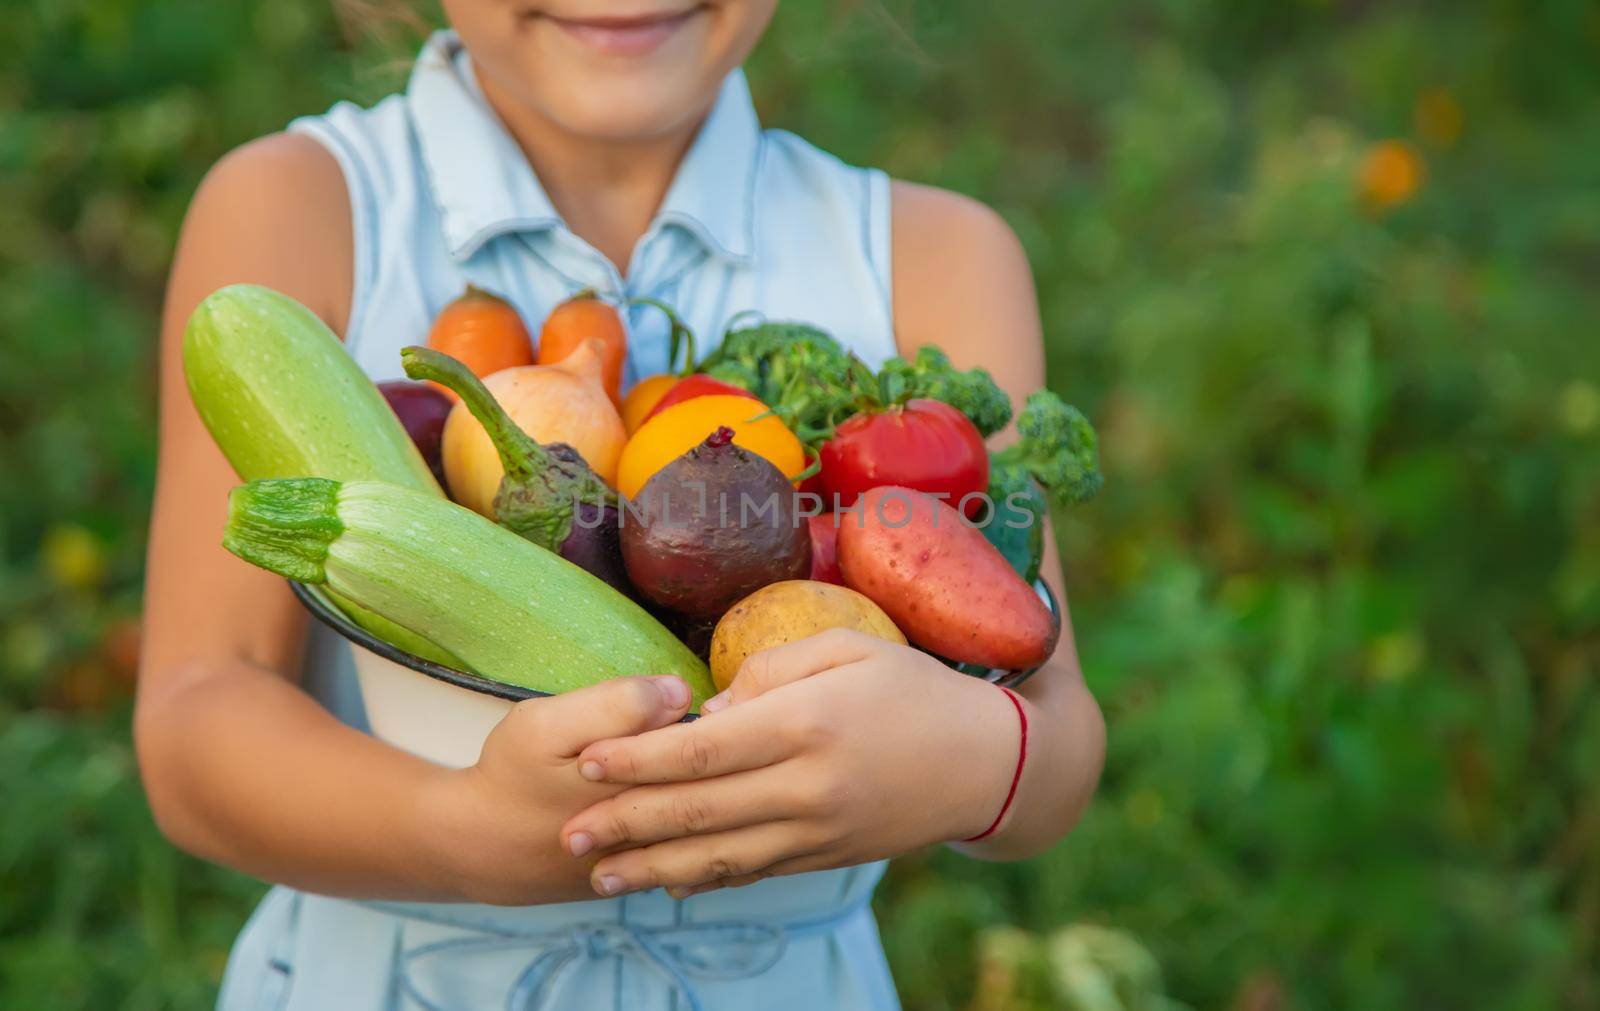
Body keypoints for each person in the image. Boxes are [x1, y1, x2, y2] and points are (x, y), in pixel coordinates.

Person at [137, 3, 1106, 1008]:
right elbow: (198, 718)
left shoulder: (938, 254)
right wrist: (460, 834)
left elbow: (1056, 729)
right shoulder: (300, 211)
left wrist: (966, 761)